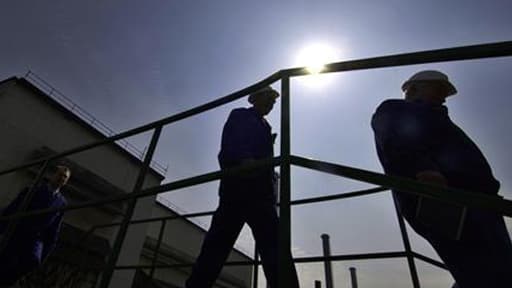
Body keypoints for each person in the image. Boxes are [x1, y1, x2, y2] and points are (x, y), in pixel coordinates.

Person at [371, 70, 512, 287]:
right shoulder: (395, 110)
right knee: (487, 270)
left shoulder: (435, 117)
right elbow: (396, 137)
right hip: (447, 199)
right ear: (413, 89)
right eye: (438, 89)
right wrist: (423, 169)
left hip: (479, 202)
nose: (444, 97)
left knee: (496, 268)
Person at [185, 86, 300, 288]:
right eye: (268, 99)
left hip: (260, 195)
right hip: (237, 190)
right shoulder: (240, 115)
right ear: (254, 99)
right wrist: (244, 161)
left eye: (273, 102)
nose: (271, 105)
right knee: (215, 250)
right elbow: (230, 146)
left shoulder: (265, 127)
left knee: (275, 249)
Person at [0, 165, 71, 287]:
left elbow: (55, 227)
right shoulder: (33, 189)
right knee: (6, 259)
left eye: (65, 177)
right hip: (19, 230)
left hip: (36, 237)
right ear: (53, 175)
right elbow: (14, 208)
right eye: (60, 175)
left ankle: (7, 281)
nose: (61, 179)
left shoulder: (62, 203)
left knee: (33, 260)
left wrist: (48, 247)